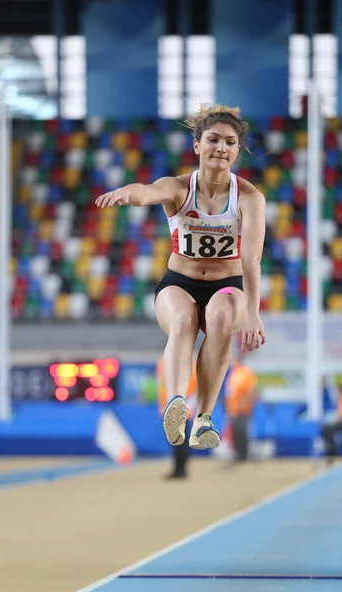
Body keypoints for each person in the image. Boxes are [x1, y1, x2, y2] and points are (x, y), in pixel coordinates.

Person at [96, 104, 266, 450]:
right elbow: (147, 190)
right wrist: (129, 194)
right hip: (179, 282)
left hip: (228, 286)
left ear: (237, 151)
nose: (221, 148)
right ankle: (176, 403)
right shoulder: (177, 188)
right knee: (184, 319)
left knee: (219, 318)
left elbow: (251, 257)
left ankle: (203, 419)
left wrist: (253, 311)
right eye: (213, 139)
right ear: (197, 146)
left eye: (230, 142)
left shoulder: (249, 197)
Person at [157, 358, 197, 479]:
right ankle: (177, 468)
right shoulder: (163, 363)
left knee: (181, 441)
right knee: (174, 441)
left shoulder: (190, 364)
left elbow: (194, 387)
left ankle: (181, 468)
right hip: (167, 407)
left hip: (182, 407)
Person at [225, 355, 258, 462]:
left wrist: (244, 402)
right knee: (236, 431)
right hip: (233, 409)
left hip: (242, 408)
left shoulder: (245, 373)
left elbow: (251, 389)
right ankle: (238, 453)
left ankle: (244, 454)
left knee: (242, 430)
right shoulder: (234, 374)